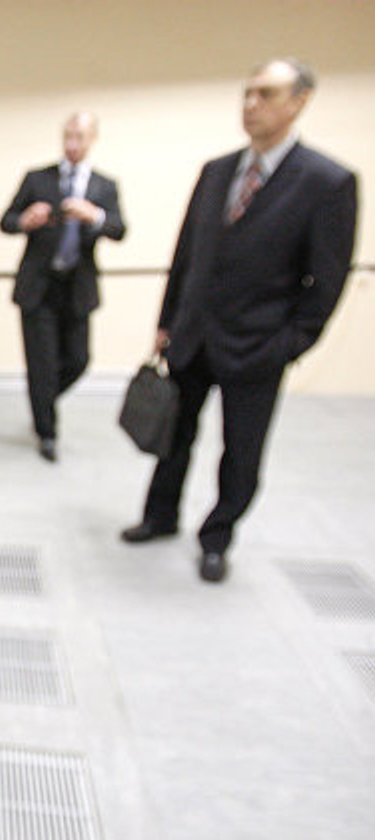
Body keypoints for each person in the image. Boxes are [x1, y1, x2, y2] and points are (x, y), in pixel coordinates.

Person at [121, 58, 358, 583]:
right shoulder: (217, 170)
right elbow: (186, 253)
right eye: (248, 93)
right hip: (192, 335)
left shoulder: (326, 182)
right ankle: (159, 516)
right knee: (173, 433)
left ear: (299, 102)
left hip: (258, 345)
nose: (251, 105)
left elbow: (327, 279)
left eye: (266, 94)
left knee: (241, 450)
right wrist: (168, 319)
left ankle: (217, 536)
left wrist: (289, 344)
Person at [0, 113, 126, 462]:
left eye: (79, 137)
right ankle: (47, 432)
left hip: (78, 287)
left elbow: (119, 228)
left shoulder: (104, 186)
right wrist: (24, 221)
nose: (72, 143)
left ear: (92, 139)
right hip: (38, 287)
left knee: (78, 360)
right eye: (68, 136)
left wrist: (94, 216)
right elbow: (6, 221)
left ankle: (42, 399)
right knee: (40, 363)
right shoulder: (37, 178)